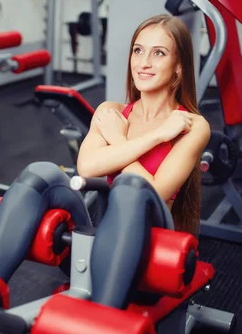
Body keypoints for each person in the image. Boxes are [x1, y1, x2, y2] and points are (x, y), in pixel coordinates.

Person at [76, 14, 211, 237]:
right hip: (108, 228)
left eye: (159, 53)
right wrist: (158, 135)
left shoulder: (192, 126)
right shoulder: (113, 112)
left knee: (131, 191)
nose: (144, 62)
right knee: (41, 176)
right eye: (138, 50)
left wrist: (118, 139)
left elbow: (153, 195)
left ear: (178, 65)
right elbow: (87, 168)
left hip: (150, 236)